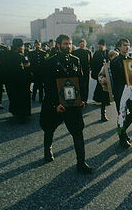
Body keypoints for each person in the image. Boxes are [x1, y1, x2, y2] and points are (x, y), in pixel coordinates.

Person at [39, 34, 92, 174]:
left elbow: (81, 81)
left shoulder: (76, 60)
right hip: (56, 104)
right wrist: (55, 103)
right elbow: (48, 85)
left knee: (78, 132)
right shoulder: (50, 62)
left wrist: (83, 99)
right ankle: (47, 149)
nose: (68, 46)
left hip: (73, 103)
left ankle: (81, 162)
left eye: (69, 43)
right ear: (58, 45)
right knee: (50, 128)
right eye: (65, 44)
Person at [111, 38, 132, 148]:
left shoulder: (131, 59)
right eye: (124, 45)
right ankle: (122, 138)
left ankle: (122, 130)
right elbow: (119, 77)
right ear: (119, 47)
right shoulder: (115, 61)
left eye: (128, 44)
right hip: (120, 91)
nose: (127, 47)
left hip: (131, 91)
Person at [6, 38, 32, 121]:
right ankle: (22, 115)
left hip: (14, 81)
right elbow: (22, 66)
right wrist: (26, 66)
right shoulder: (17, 55)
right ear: (18, 47)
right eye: (22, 46)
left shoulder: (10, 54)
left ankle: (17, 113)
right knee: (22, 98)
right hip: (19, 80)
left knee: (15, 98)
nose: (23, 47)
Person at [97, 50, 119, 121]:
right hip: (106, 88)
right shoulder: (106, 66)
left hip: (116, 87)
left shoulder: (118, 65)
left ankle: (121, 115)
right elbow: (100, 75)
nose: (116, 58)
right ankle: (103, 114)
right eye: (114, 56)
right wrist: (103, 80)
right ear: (110, 57)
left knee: (118, 102)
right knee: (104, 102)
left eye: (117, 56)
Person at [72, 39, 92, 105]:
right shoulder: (75, 52)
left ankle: (85, 100)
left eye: (83, 43)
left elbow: (91, 62)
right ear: (79, 44)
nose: (82, 44)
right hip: (77, 71)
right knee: (78, 85)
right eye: (81, 43)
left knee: (86, 85)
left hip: (86, 71)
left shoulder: (88, 52)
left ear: (85, 44)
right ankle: (78, 99)